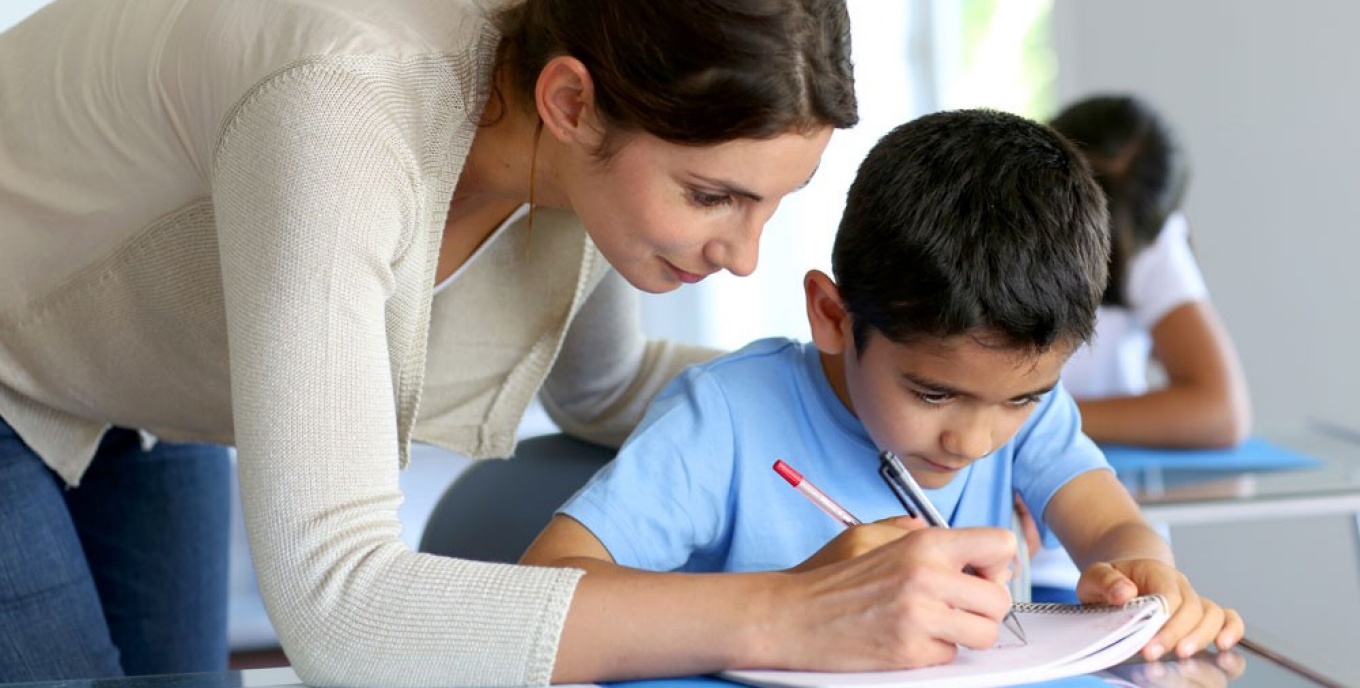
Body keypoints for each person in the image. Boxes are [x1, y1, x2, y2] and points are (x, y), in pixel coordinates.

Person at [0, 0, 1034, 685]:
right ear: (572, 102)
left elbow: (609, 387)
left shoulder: (568, 132)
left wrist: (931, 417)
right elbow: (337, 606)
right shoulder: (341, 115)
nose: (742, 257)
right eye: (714, 197)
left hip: (126, 371)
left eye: (771, 204)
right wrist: (787, 615)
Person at [521, 110, 1245, 666]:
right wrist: (800, 596)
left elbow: (1113, 528)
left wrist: (1146, 575)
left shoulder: (1029, 416)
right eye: (933, 394)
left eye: (1021, 398)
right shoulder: (726, 417)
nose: (975, 439)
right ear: (833, 316)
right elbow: (540, 591)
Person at [1021, 94, 1254, 603]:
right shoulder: (1006, 229)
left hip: (1090, 550)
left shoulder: (1153, 240)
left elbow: (1219, 411)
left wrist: (1031, 420)